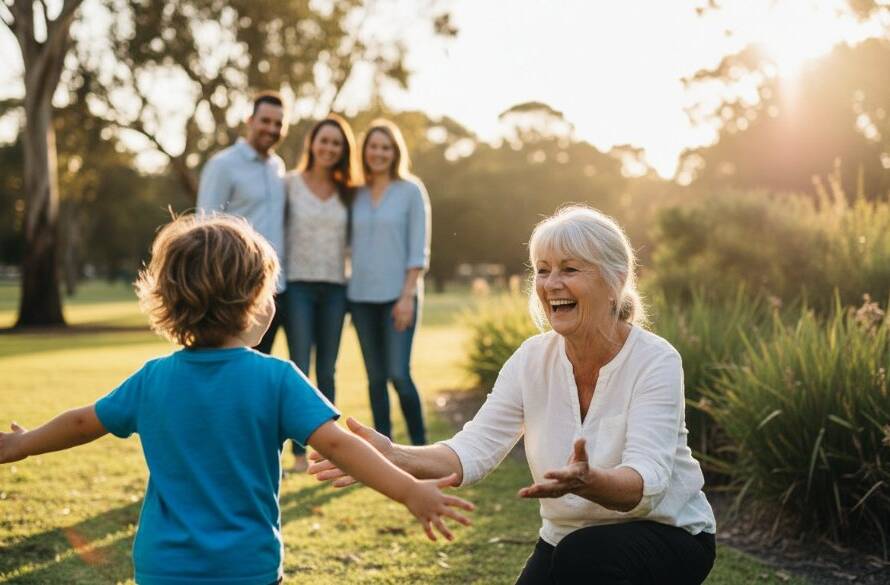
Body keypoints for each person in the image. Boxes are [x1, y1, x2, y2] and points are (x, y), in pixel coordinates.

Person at [0, 215, 473, 585]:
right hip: (246, 567)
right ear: (253, 299)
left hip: (164, 567)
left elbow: (83, 423)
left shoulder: (153, 379)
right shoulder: (277, 378)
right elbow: (340, 445)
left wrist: (23, 444)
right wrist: (408, 490)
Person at [310, 205, 717, 585]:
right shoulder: (531, 359)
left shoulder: (655, 360)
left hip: (668, 533)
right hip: (566, 537)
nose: (551, 284)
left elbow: (647, 483)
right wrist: (392, 455)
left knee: (585, 556)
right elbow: (473, 449)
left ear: (616, 280)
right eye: (542, 270)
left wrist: (590, 481)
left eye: (569, 269)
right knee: (577, 552)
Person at [348, 119, 431, 445]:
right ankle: (384, 452)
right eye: (373, 147)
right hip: (360, 298)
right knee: (375, 378)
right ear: (364, 151)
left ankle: (422, 447)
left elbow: (418, 250)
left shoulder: (411, 190)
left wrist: (407, 296)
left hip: (399, 296)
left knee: (399, 374)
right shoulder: (354, 193)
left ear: (395, 152)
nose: (379, 153)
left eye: (386, 147)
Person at [284, 114, 358, 471]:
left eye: (336, 144)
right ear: (312, 143)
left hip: (335, 289)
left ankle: (326, 452)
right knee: (299, 368)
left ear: (343, 150)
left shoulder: (349, 190)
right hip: (297, 285)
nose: (329, 148)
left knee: (327, 370)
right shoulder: (289, 184)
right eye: (324, 141)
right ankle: (298, 452)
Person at [196, 91, 288, 354]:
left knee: (261, 365)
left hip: (274, 289)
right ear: (250, 120)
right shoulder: (223, 165)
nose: (272, 129)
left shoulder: (278, 167)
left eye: (278, 123)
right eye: (265, 121)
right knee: (234, 364)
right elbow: (205, 227)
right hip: (235, 290)